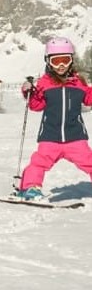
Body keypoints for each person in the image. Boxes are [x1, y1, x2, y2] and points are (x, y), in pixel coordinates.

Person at [15, 36, 92, 200]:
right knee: (39, 163)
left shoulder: (78, 82)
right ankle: (29, 188)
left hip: (75, 136)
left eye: (65, 60)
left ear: (71, 60)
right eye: (56, 61)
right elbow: (36, 106)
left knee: (89, 161)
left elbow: (88, 98)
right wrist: (29, 93)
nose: (61, 65)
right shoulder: (44, 83)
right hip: (50, 137)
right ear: (48, 61)